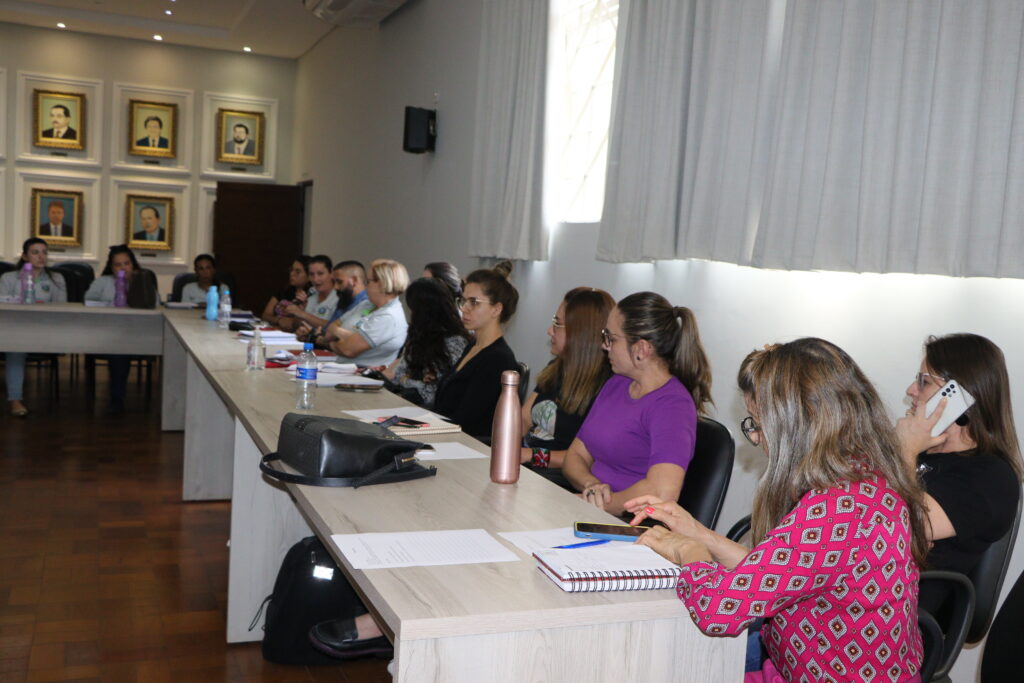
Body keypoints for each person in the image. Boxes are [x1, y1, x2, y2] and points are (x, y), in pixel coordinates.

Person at [626, 338, 928, 682]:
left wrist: (690, 552)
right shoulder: (863, 478)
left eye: (758, 423)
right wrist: (698, 533)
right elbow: (776, 572)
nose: (756, 438)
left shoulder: (838, 509)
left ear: (797, 424)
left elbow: (718, 611)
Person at [895, 333, 1023, 615]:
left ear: (960, 396)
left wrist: (904, 451)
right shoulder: (921, 455)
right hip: (864, 593)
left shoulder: (992, 477)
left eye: (924, 382)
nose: (911, 390)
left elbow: (905, 525)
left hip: (904, 617)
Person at [562, 292, 712, 516]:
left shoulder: (673, 406)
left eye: (611, 338)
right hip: (593, 509)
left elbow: (662, 492)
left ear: (641, 349)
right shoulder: (617, 383)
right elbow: (575, 455)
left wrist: (597, 505)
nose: (605, 346)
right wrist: (592, 486)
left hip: (630, 522)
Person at [519, 287, 614, 480]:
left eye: (557, 324)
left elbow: (586, 459)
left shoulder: (607, 385)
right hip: (527, 465)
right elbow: (523, 420)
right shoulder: (557, 367)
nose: (549, 331)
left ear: (581, 332)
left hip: (555, 478)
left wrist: (530, 456)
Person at [433, 261, 520, 440]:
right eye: (463, 301)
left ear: (496, 309)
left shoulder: (498, 359)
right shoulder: (473, 346)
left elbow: (468, 420)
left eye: (474, 302)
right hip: (444, 434)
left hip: (464, 444)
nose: (464, 308)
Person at [380, 277, 471, 408]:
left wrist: (406, 380)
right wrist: (409, 380)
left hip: (432, 411)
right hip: (409, 404)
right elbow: (398, 374)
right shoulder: (420, 336)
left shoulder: (455, 342)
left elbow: (431, 392)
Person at [1, 238, 67, 417]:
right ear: (25, 256)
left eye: (44, 252)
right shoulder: (8, 278)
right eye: (35, 252)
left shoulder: (56, 279)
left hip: (45, 328)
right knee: (16, 347)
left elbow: (62, 308)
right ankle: (15, 400)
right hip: (16, 327)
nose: (41, 256)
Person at [305, 259, 410, 366]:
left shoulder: (388, 316)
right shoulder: (366, 304)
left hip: (361, 373)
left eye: (368, 282)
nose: (365, 286)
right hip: (340, 367)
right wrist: (349, 336)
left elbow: (348, 350)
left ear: (382, 283)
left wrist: (330, 341)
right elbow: (331, 328)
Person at [85, 245, 147, 413]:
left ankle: (117, 397)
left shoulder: (142, 281)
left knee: (121, 346)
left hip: (138, 332)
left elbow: (154, 303)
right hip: (108, 331)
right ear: (111, 267)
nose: (123, 268)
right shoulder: (103, 282)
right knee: (118, 348)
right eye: (118, 265)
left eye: (126, 263)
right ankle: (117, 399)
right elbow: (88, 301)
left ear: (133, 264)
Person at [278, 255, 336, 331]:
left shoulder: (340, 296)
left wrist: (303, 314)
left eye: (320, 274)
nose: (315, 279)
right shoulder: (311, 292)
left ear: (331, 273)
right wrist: (300, 312)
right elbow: (296, 325)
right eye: (312, 274)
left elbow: (335, 328)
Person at [260, 256, 310, 327]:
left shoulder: (311, 296)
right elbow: (265, 315)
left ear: (309, 276)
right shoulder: (284, 290)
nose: (292, 274)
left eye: (297, 272)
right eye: (291, 270)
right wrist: (278, 320)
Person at [326, 260, 372, 328]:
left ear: (354, 280)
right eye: (334, 282)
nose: (335, 287)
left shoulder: (367, 305)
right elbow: (329, 327)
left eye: (339, 282)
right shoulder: (345, 298)